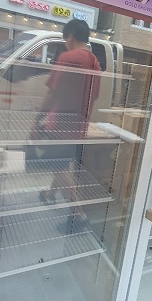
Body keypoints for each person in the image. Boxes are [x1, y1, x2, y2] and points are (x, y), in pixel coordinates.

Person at [33, 19, 101, 229]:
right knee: (61, 164)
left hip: (60, 125)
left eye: (65, 39)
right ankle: (50, 194)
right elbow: (94, 96)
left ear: (70, 36)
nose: (65, 44)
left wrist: (37, 120)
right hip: (79, 126)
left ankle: (78, 215)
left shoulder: (68, 58)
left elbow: (52, 93)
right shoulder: (95, 63)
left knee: (59, 167)